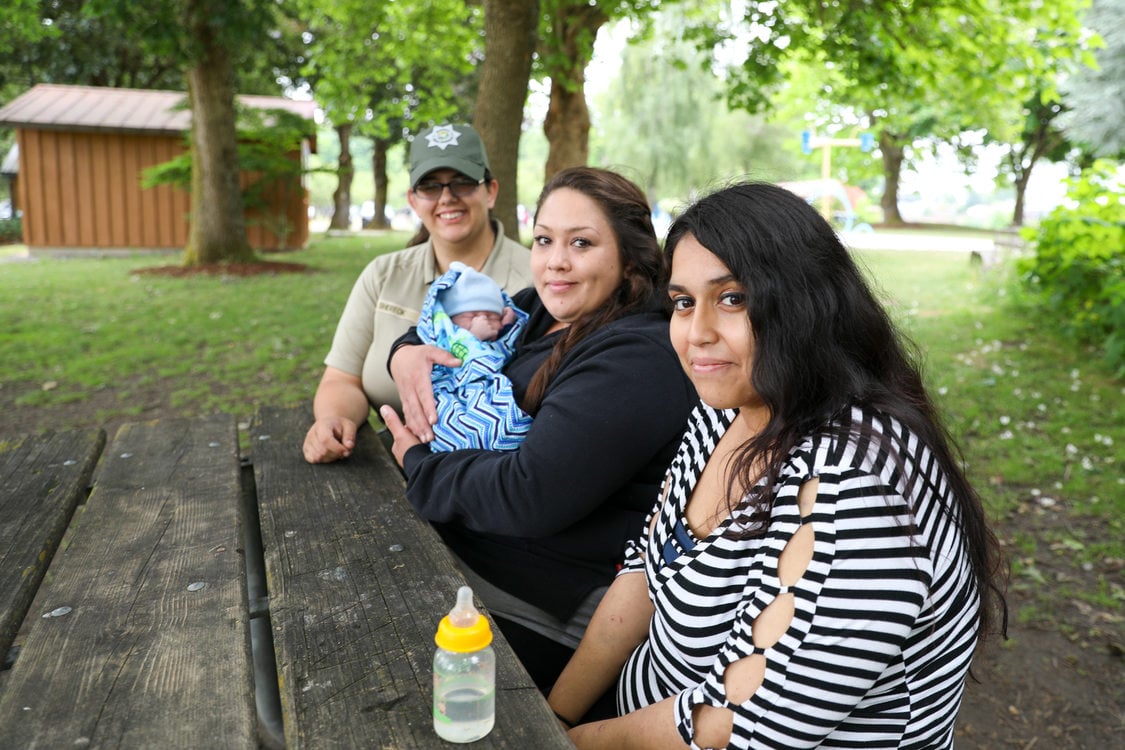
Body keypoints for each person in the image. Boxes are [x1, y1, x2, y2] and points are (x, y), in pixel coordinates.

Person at [546, 182, 1008, 749]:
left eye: (733, 298)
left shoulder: (859, 486)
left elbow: (742, 724)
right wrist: (554, 714)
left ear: (806, 303)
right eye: (684, 301)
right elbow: (644, 573)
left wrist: (571, 743)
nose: (697, 333)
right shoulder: (729, 408)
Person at [379, 167, 697, 692]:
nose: (556, 262)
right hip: (461, 540)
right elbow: (454, 325)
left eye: (582, 243)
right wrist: (405, 352)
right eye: (545, 239)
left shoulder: (637, 355)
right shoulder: (535, 310)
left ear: (630, 255)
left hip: (534, 596)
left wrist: (419, 464)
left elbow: (528, 494)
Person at [303, 123, 533, 464]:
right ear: (413, 200)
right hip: (392, 471)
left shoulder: (537, 280)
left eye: (463, 182)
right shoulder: (383, 275)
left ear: (491, 191)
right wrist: (334, 420)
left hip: (499, 474)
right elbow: (342, 379)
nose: (447, 197)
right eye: (430, 186)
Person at [419, 260, 532, 452]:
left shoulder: (496, 333)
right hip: (453, 392)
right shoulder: (448, 335)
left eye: (491, 316)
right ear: (452, 318)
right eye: (471, 316)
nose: (483, 320)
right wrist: (473, 337)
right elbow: (458, 360)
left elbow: (505, 350)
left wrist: (507, 326)